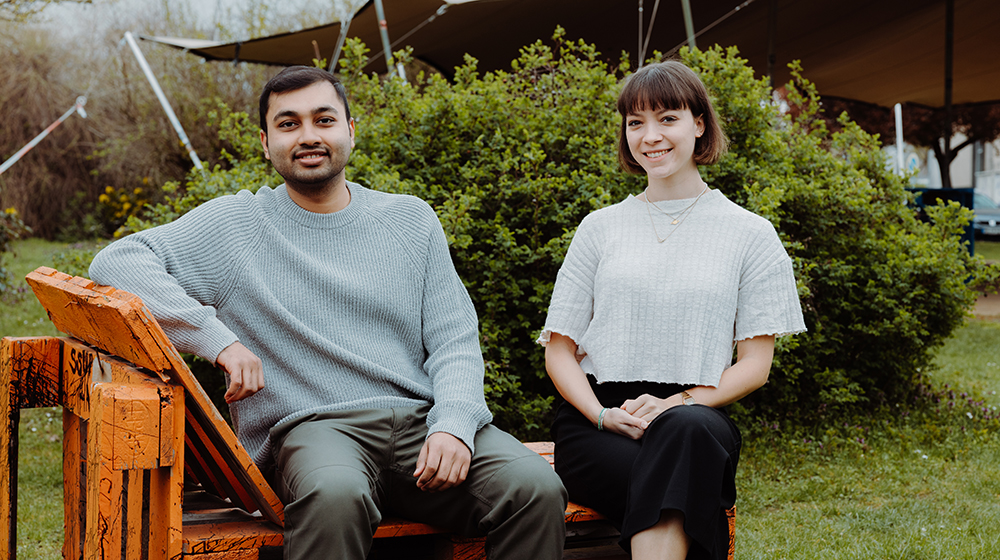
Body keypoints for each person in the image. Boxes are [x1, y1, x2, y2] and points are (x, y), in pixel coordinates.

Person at [89, 65, 567, 560]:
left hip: (422, 423)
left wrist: (453, 425)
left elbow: (455, 342)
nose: (309, 136)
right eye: (289, 123)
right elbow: (117, 262)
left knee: (535, 489)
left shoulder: (409, 220)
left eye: (323, 119)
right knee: (336, 496)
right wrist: (217, 339)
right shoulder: (238, 225)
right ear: (265, 141)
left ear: (350, 130)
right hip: (314, 430)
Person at [536, 61, 806, 560]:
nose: (650, 136)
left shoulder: (750, 234)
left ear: (698, 123)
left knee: (686, 435)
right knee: (686, 481)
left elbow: (755, 365)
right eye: (636, 122)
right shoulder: (599, 228)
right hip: (599, 421)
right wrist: (601, 415)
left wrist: (678, 402)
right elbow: (559, 353)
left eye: (667, 118)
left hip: (697, 413)